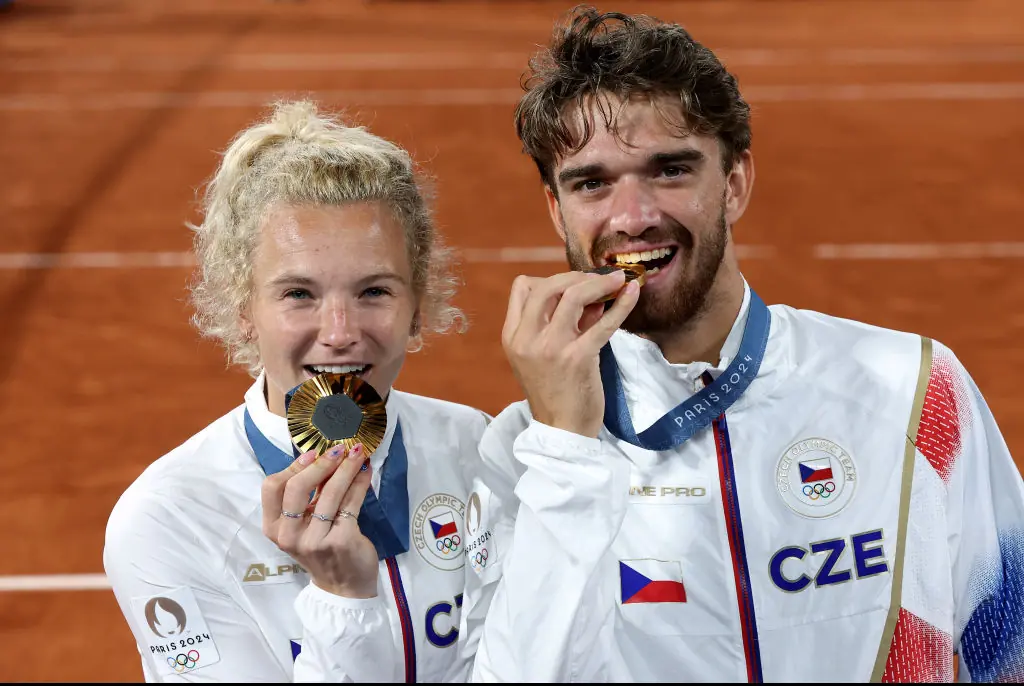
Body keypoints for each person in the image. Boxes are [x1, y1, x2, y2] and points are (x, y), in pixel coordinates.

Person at [465, 6, 1024, 683]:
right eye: (592, 183)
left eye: (671, 170)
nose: (634, 216)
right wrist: (566, 455)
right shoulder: (521, 459)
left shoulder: (913, 388)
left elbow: (1009, 644)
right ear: (557, 208)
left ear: (733, 185)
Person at [104, 100, 489, 682]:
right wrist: (341, 597)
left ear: (418, 305)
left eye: (375, 291)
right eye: (298, 294)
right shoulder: (170, 518)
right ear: (243, 311)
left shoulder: (475, 446)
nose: (340, 334)